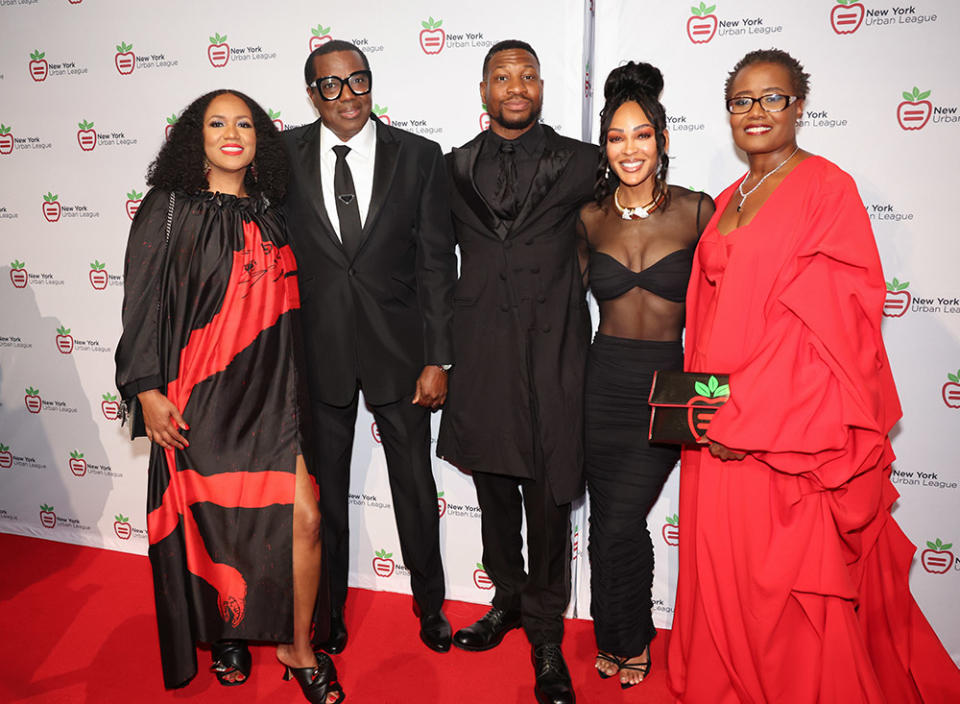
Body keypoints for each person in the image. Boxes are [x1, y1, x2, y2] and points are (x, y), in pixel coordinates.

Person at [667, 48, 960, 703]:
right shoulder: (722, 199)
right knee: (722, 563)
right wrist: (703, 410)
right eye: (741, 100)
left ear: (800, 106)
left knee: (785, 576)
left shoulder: (828, 188)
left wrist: (748, 417)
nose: (756, 111)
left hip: (786, 430)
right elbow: (705, 315)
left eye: (772, 97)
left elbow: (831, 329)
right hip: (716, 419)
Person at [115, 89, 343, 704]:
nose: (231, 132)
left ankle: (299, 646)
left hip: (273, 395)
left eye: (244, 122)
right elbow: (141, 305)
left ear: (260, 140)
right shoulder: (169, 209)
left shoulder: (272, 210)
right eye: (217, 123)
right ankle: (226, 635)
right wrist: (147, 390)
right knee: (213, 524)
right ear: (197, 136)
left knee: (306, 519)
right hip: (199, 398)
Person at [281, 40, 457, 655]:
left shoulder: (420, 156)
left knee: (414, 488)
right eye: (331, 85)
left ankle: (430, 608)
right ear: (312, 95)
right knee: (324, 498)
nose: (348, 95)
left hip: (402, 357)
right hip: (318, 355)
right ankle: (328, 616)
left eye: (358, 81)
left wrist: (439, 357)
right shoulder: (282, 157)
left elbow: (438, 263)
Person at [437, 40, 595, 704]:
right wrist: (436, 351)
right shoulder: (453, 169)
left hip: (554, 350)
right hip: (482, 356)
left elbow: (619, 235)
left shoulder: (583, 162)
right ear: (483, 90)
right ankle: (505, 598)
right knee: (495, 490)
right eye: (502, 75)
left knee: (550, 496)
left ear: (540, 86)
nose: (515, 84)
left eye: (527, 74)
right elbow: (427, 260)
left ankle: (546, 635)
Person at [576, 62, 714, 690]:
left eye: (641, 136)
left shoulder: (697, 212)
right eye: (616, 138)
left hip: (666, 388)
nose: (629, 149)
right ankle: (619, 635)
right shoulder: (590, 218)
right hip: (601, 383)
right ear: (604, 147)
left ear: (661, 139)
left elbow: (724, 310)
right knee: (608, 518)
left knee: (622, 517)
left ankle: (630, 635)